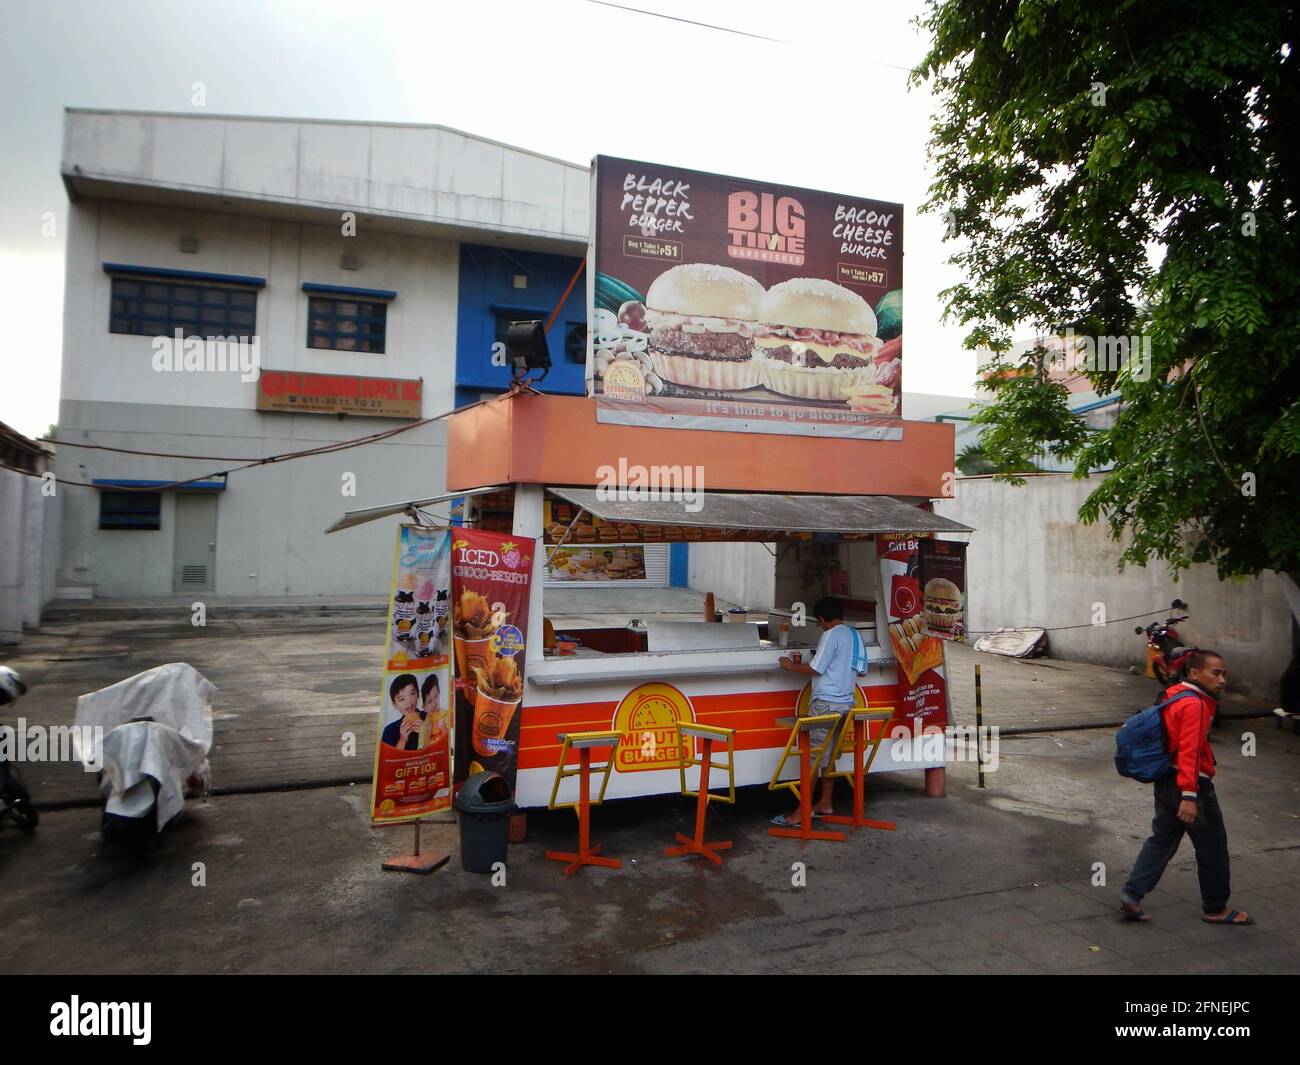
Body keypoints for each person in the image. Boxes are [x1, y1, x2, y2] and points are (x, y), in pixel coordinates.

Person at [1119, 650, 1253, 926]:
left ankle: (1131, 895)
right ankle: (1216, 908)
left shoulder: (1174, 693)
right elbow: (1189, 752)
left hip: (1166, 780)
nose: (1222, 680)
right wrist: (1190, 796)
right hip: (1191, 786)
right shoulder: (1195, 705)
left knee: (1163, 840)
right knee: (1213, 846)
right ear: (1195, 673)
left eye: (1224, 674)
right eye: (1215, 673)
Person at [771, 596, 866, 825]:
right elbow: (860, 671)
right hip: (846, 705)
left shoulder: (830, 634)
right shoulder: (854, 635)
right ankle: (825, 802)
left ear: (823, 619)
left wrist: (789, 665)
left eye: (820, 622)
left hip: (825, 704)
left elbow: (816, 667)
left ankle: (800, 814)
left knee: (812, 759)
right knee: (829, 755)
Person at [381, 674, 423, 751]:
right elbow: (388, 759)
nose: (408, 701)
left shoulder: (430, 717)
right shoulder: (390, 730)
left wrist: (427, 733)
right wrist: (402, 740)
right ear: (395, 705)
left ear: (418, 694)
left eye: (412, 694)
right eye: (402, 699)